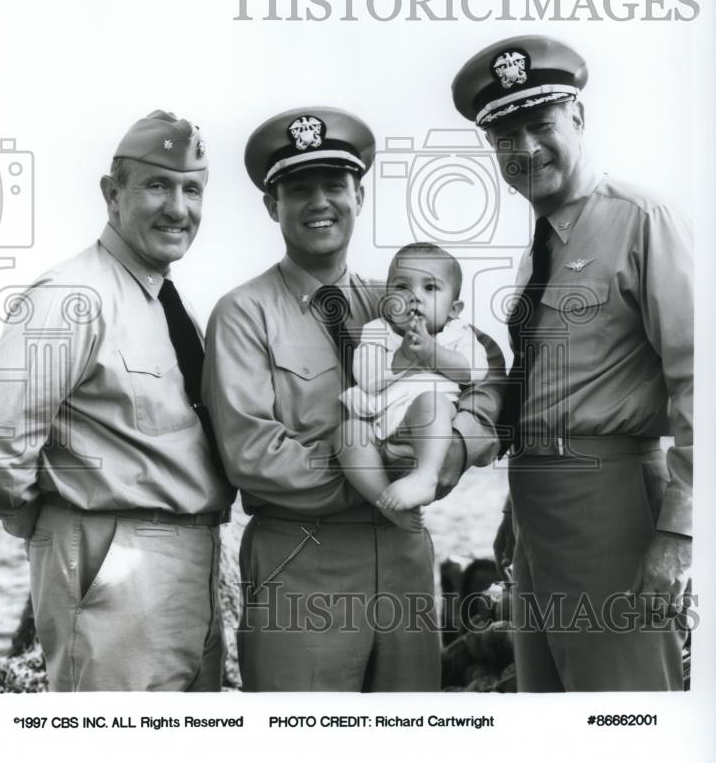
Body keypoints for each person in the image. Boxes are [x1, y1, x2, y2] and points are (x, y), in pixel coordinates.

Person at [204, 106, 505, 691]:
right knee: (306, 758)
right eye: (298, 189)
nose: (320, 202)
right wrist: (389, 469)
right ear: (273, 206)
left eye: (335, 185)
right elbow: (253, 456)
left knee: (405, 749)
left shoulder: (398, 295)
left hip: (405, 557)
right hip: (302, 561)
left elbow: (487, 372)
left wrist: (456, 448)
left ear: (359, 196)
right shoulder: (243, 314)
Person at [452, 35, 693, 691]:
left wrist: (680, 533)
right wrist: (514, 519)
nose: (525, 149)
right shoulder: (539, 251)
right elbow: (545, 388)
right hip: (536, 511)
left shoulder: (641, 219)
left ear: (578, 119)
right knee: (552, 721)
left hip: (611, 506)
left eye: (540, 124)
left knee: (623, 723)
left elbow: (701, 381)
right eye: (505, 136)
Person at [0, 110, 235, 692]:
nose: (178, 208)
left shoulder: (167, 303)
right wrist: (60, 529)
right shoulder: (72, 296)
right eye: (157, 185)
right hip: (111, 564)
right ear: (112, 194)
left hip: (195, 563)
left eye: (192, 190)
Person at [338, 242, 488, 516]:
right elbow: (367, 378)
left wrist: (433, 353)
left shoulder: (458, 333)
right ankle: (383, 500)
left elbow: (476, 371)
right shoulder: (377, 331)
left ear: (454, 309)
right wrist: (402, 359)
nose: (414, 296)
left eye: (430, 288)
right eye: (402, 287)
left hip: (425, 433)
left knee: (431, 402)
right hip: (379, 425)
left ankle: (425, 477)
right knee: (347, 434)